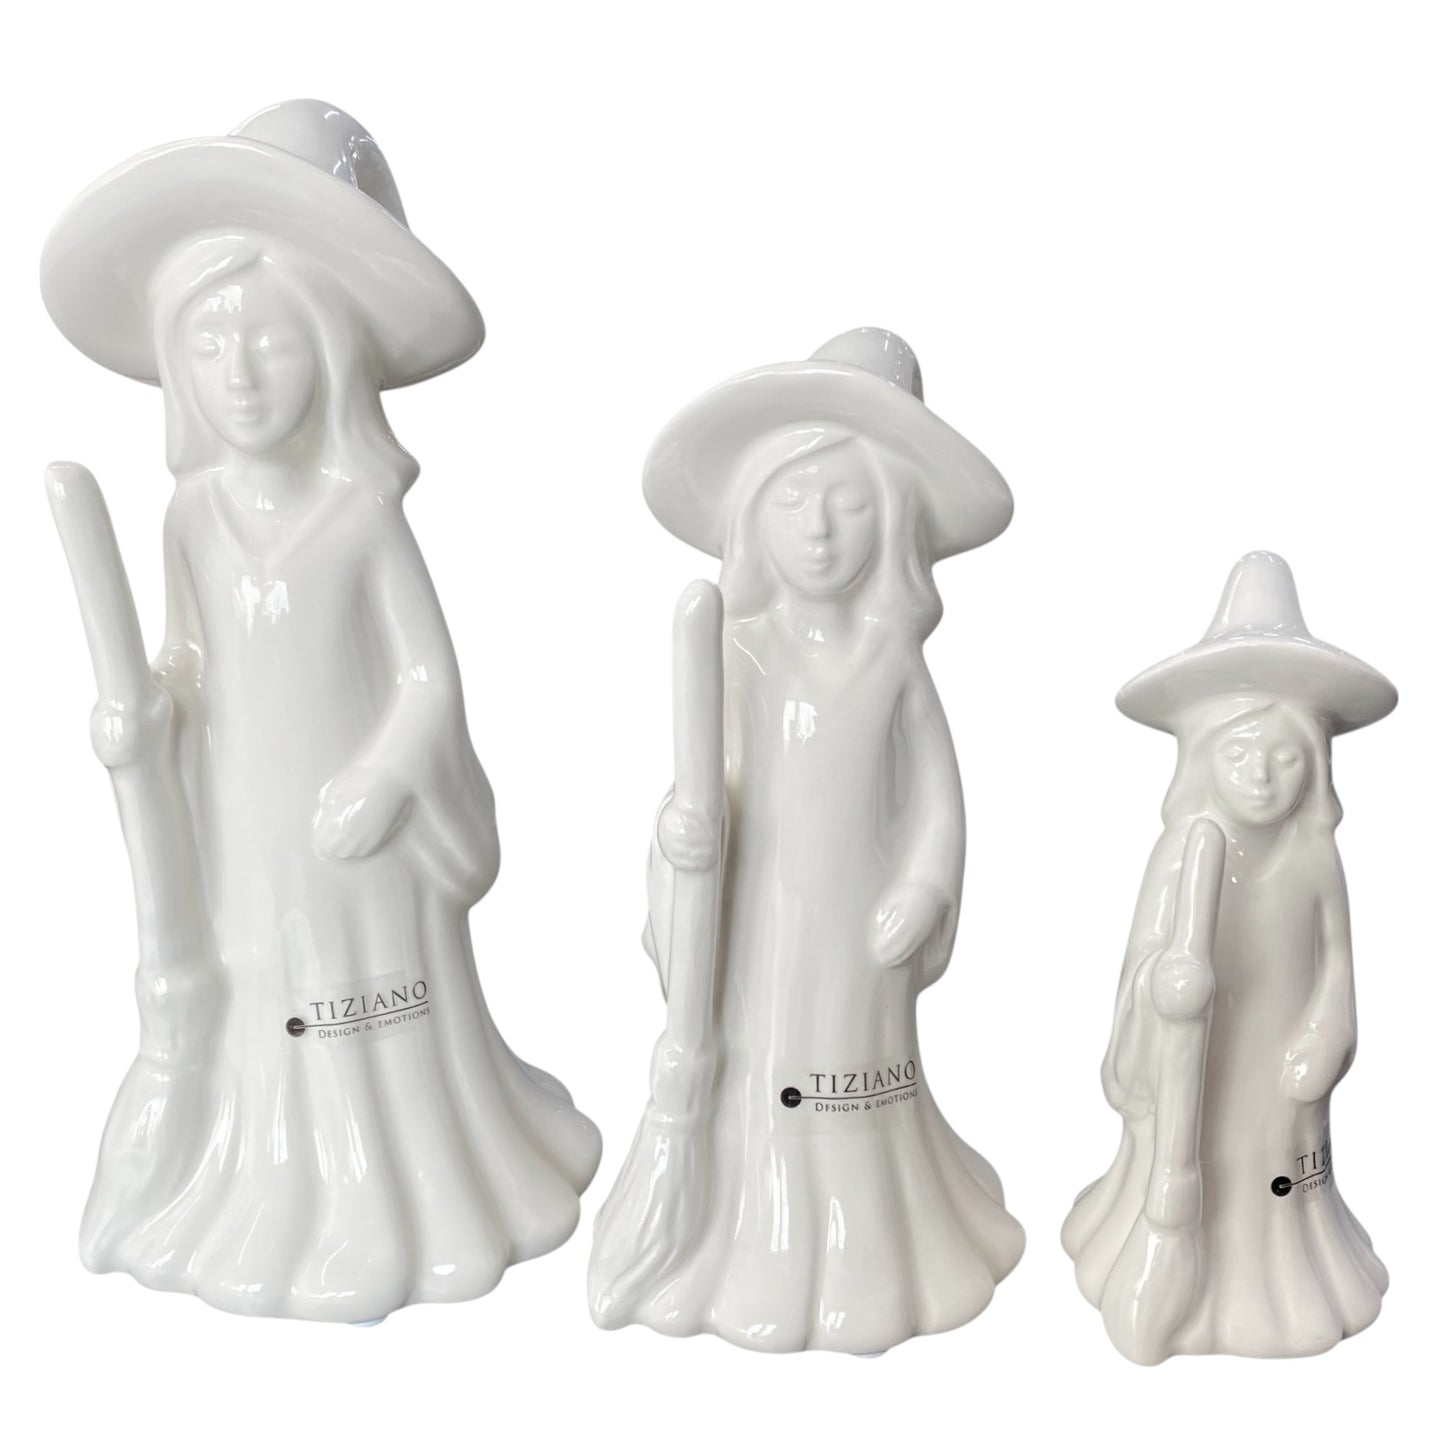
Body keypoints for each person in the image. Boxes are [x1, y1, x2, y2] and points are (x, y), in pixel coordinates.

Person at [42, 101, 600, 1322]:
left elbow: (427, 678)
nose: (240, 375)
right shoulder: (192, 518)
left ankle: (400, 1185)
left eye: (272, 341)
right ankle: (267, 1173)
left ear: (333, 350)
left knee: (370, 997)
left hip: (360, 839)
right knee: (266, 986)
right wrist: (143, 718)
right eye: (208, 345)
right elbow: (187, 660)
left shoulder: (359, 514)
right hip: (250, 832)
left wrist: (389, 774)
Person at [590, 328, 1025, 1353]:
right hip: (760, 935)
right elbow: (702, 782)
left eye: (847, 503)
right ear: (752, 517)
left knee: (853, 1069)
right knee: (765, 1064)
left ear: (892, 518)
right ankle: (743, 1229)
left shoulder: (891, 662)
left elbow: (938, 798)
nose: (819, 531)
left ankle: (876, 1232)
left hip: (859, 931)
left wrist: (925, 884)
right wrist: (678, 831)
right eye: (791, 501)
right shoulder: (735, 651)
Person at [1063, 551, 1395, 1359]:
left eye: (1285, 758)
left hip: (1278, 1061)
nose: (1261, 777)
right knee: (1198, 1148)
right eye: (1240, 756)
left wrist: (1329, 1029)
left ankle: (1280, 1273)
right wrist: (1162, 987)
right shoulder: (1182, 852)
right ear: (1203, 760)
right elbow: (1143, 957)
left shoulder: (1314, 860)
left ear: (1314, 765)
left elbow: (1336, 962)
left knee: (1273, 1164)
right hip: (1200, 1062)